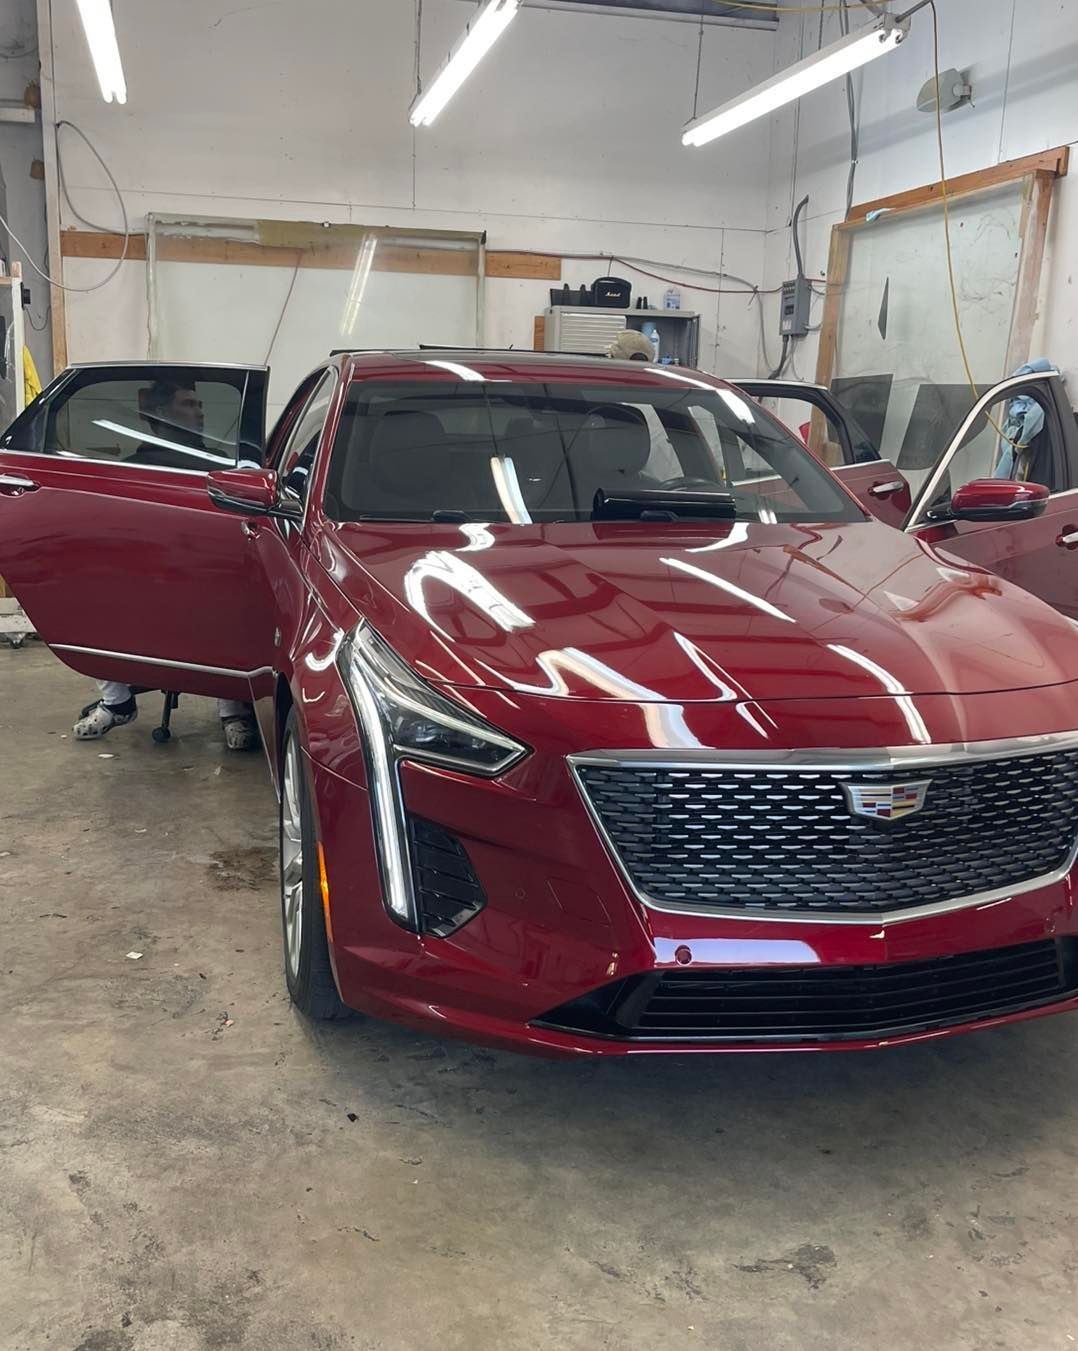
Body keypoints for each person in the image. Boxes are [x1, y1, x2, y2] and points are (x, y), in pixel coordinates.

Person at [72, 377, 259, 749]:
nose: (200, 411)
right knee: (92, 609)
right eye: (189, 405)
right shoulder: (136, 468)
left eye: (200, 405)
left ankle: (232, 710)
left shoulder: (223, 466)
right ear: (160, 414)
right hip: (149, 577)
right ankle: (117, 702)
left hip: (205, 573)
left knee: (229, 604)